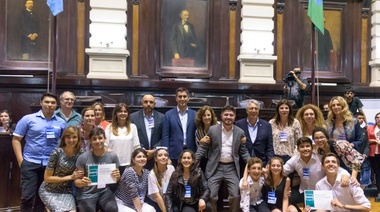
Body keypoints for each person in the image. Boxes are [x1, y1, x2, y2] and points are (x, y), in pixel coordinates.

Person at [12, 92, 66, 212]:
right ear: (41, 103)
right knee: (27, 196)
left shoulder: (61, 122)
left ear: (56, 105)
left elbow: (65, 143)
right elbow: (16, 140)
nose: (49, 105)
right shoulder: (28, 119)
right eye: (47, 102)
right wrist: (21, 161)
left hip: (50, 165)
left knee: (43, 197)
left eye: (52, 103)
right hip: (30, 162)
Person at [195, 105, 250, 212]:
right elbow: (203, 148)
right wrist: (193, 162)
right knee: (211, 196)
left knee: (235, 196)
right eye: (226, 114)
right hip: (215, 167)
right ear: (221, 116)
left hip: (232, 168)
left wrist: (253, 164)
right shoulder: (212, 130)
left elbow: (244, 152)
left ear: (234, 117)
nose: (228, 117)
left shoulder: (240, 132)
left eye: (231, 115)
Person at [283, 137, 350, 212]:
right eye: (302, 147)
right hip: (303, 190)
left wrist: (345, 175)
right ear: (298, 149)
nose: (305, 149)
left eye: (307, 146)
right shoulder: (294, 159)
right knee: (285, 198)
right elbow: (283, 171)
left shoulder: (320, 158)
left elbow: (338, 169)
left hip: (319, 193)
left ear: (312, 148)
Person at [74, 127, 120, 212]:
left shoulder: (112, 156)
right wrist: (82, 182)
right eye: (94, 139)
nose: (98, 141)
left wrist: (117, 176)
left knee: (113, 209)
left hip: (104, 191)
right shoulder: (83, 158)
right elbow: (76, 181)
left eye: (100, 138)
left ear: (105, 139)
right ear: (90, 141)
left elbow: (117, 178)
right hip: (86, 194)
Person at [38, 126, 83, 212]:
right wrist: (70, 177)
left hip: (66, 191)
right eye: (68, 137)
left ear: (78, 138)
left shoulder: (80, 153)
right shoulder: (57, 153)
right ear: (64, 138)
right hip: (49, 190)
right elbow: (47, 178)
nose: (71, 140)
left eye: (74, 137)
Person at [162, 87, 197, 167]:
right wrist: (166, 155)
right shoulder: (168, 115)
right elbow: (165, 137)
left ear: (188, 98)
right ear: (176, 98)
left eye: (184, 96)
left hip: (190, 153)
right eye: (180, 96)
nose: (182, 99)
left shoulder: (195, 114)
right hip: (174, 154)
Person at [235, 99, 274, 169]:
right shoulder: (239, 124)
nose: (253, 111)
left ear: (258, 111)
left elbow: (269, 147)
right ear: (247, 111)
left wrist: (269, 162)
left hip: (262, 163)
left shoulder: (266, 125)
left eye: (256, 109)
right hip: (243, 163)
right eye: (251, 108)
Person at [130, 94, 165, 170]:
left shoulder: (162, 117)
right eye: (146, 102)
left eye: (151, 102)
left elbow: (164, 136)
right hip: (140, 156)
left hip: (156, 156)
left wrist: (154, 150)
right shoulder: (133, 117)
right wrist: (142, 150)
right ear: (142, 103)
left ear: (154, 104)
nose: (148, 104)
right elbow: (132, 136)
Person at [105, 103, 140, 174]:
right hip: (113, 165)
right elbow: (105, 146)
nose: (123, 113)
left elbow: (136, 146)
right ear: (116, 113)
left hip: (129, 165)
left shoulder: (133, 127)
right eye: (120, 111)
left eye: (125, 111)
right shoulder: (109, 127)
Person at [147, 148, 175, 212]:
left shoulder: (171, 168)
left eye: (165, 155)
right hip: (156, 201)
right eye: (160, 155)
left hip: (168, 199)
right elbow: (157, 196)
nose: (163, 157)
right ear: (155, 159)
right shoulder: (152, 175)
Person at [354, 112, 371, 189]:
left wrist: (364, 154)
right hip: (351, 159)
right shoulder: (349, 131)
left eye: (362, 118)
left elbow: (367, 144)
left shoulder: (364, 131)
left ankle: (361, 195)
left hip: (363, 158)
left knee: (364, 179)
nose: (361, 120)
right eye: (359, 118)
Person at [367, 112, 380, 201]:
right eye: (377, 117)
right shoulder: (370, 128)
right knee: (377, 173)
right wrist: (374, 141)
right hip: (374, 154)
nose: (379, 119)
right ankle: (379, 192)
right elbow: (366, 140)